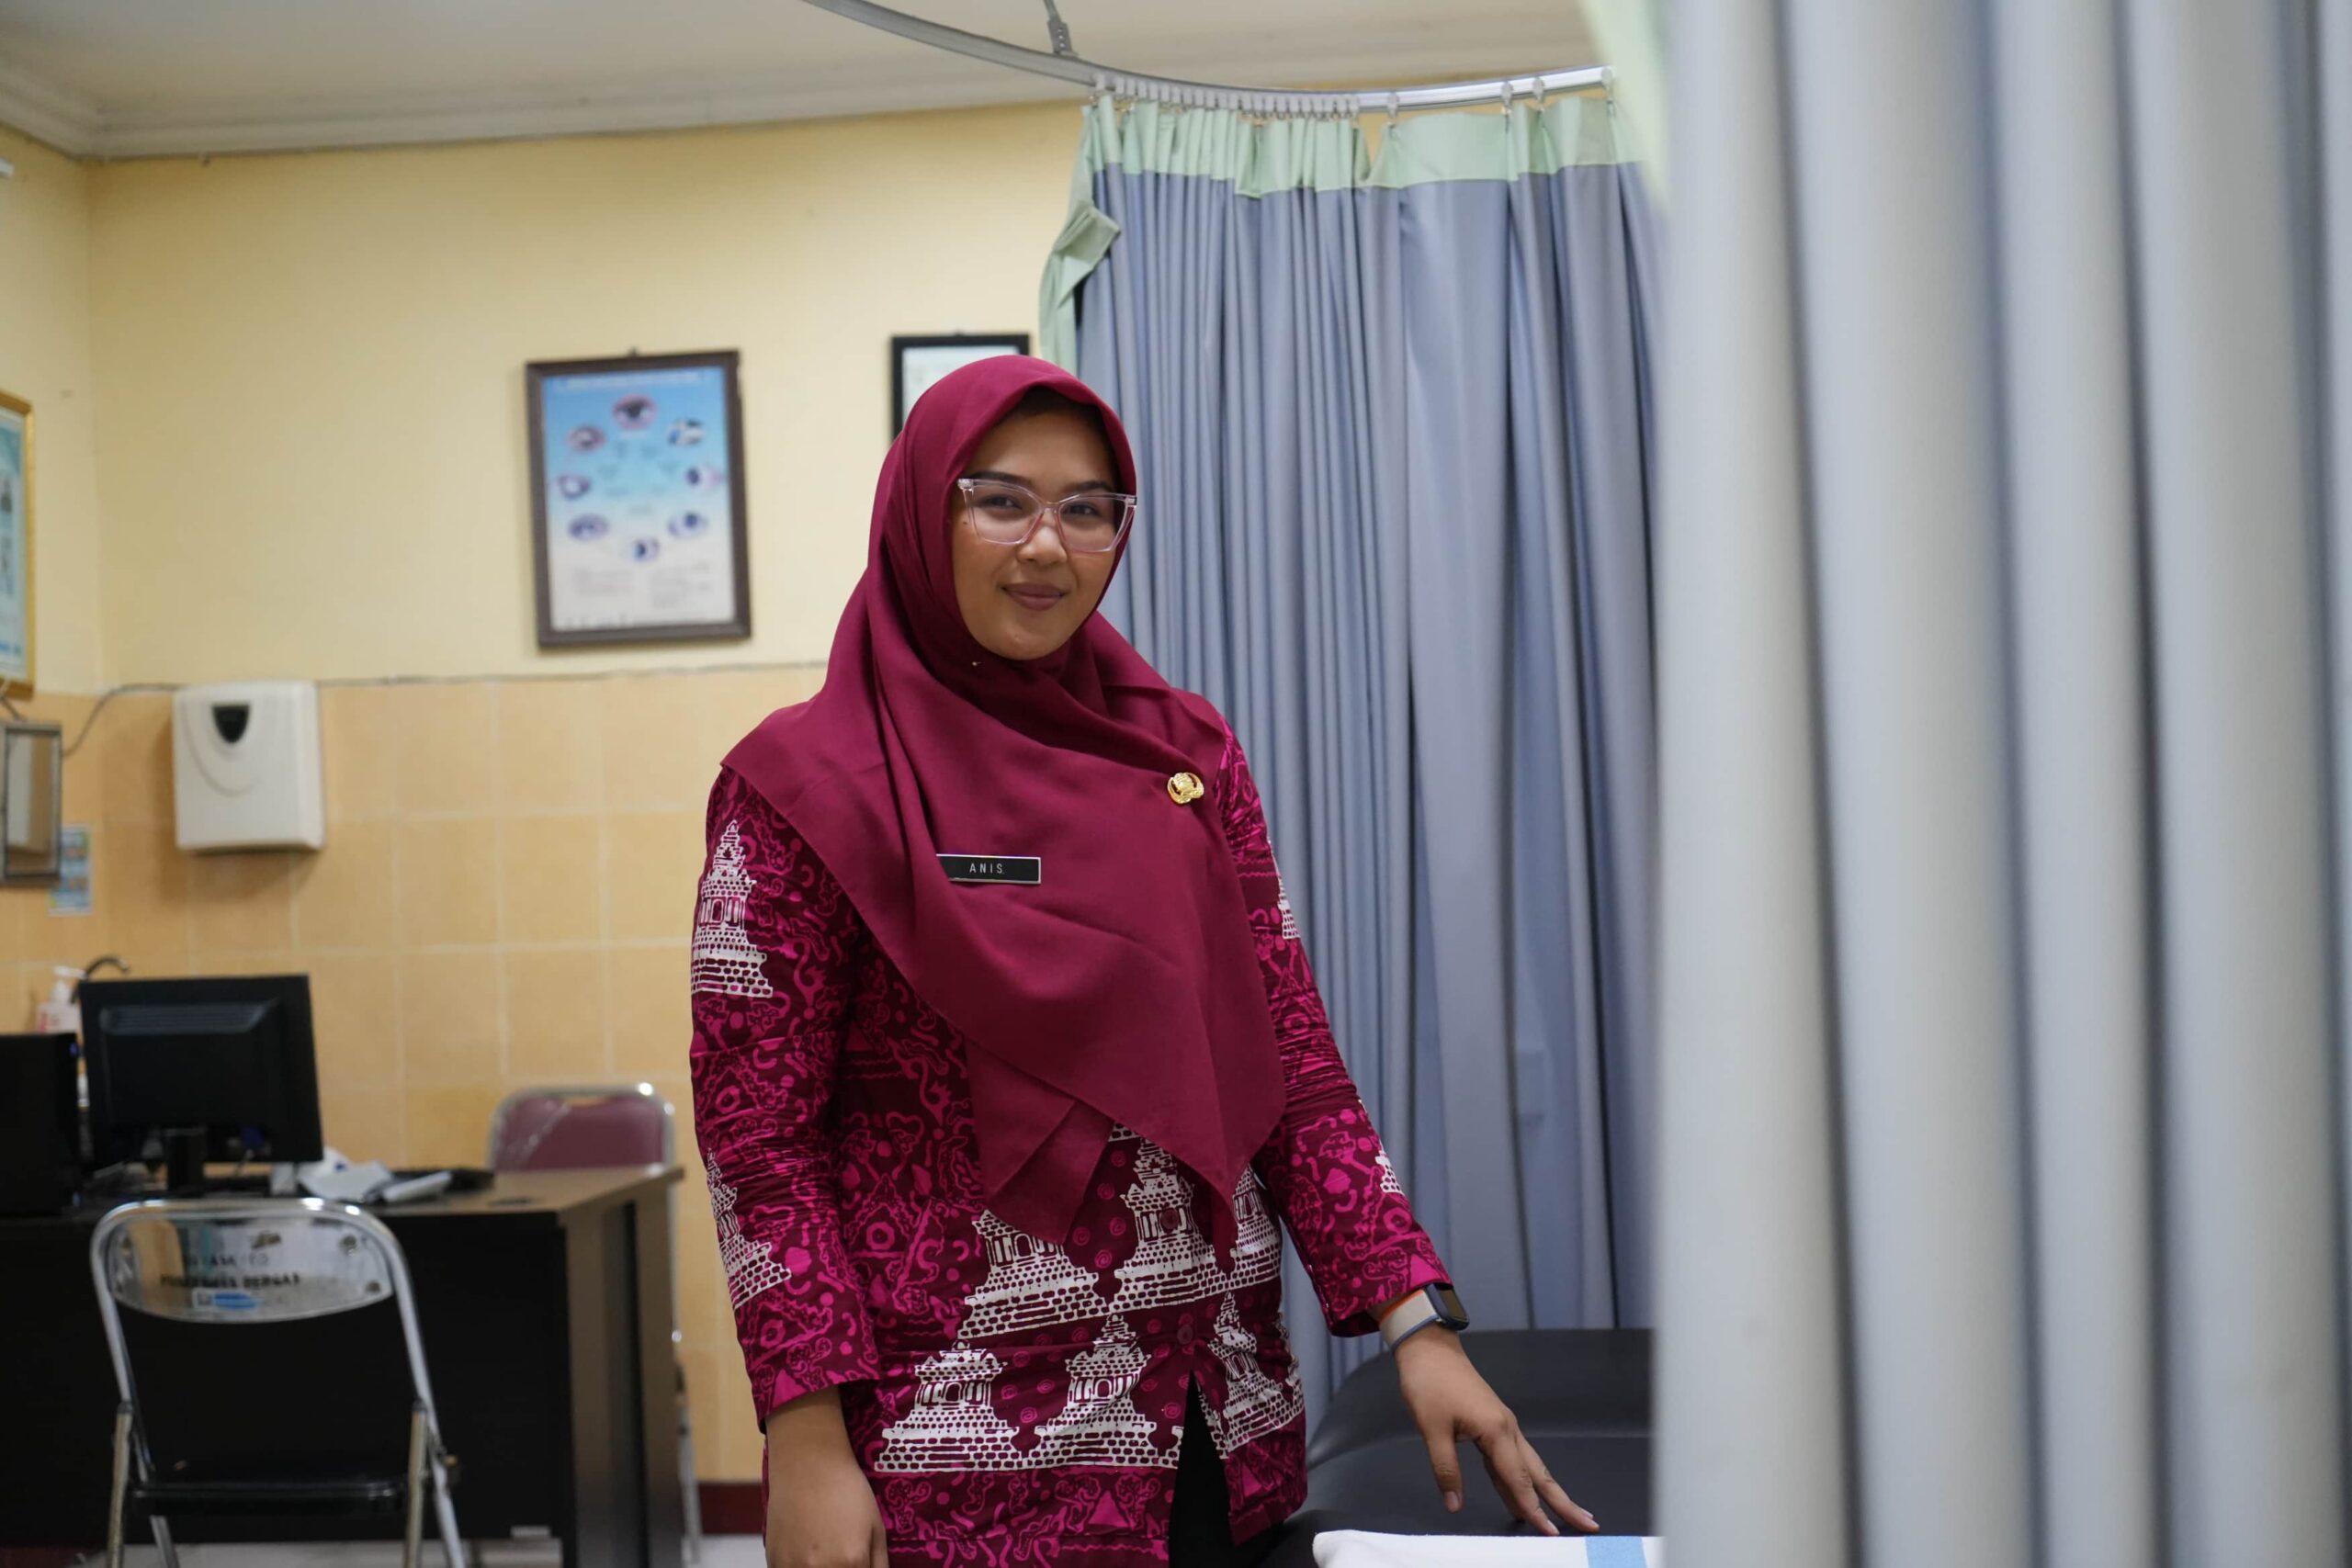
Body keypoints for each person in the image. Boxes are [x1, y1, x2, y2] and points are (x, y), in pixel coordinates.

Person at [689, 355, 1591, 1568]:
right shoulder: (799, 790)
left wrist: (1415, 1320)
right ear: (920, 511)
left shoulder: (1184, 755)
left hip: (1210, 1412)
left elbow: (1288, 1054)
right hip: (947, 1452)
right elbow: (763, 1148)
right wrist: (804, 1443)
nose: (1047, 546)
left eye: (1089, 507)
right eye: (999, 499)